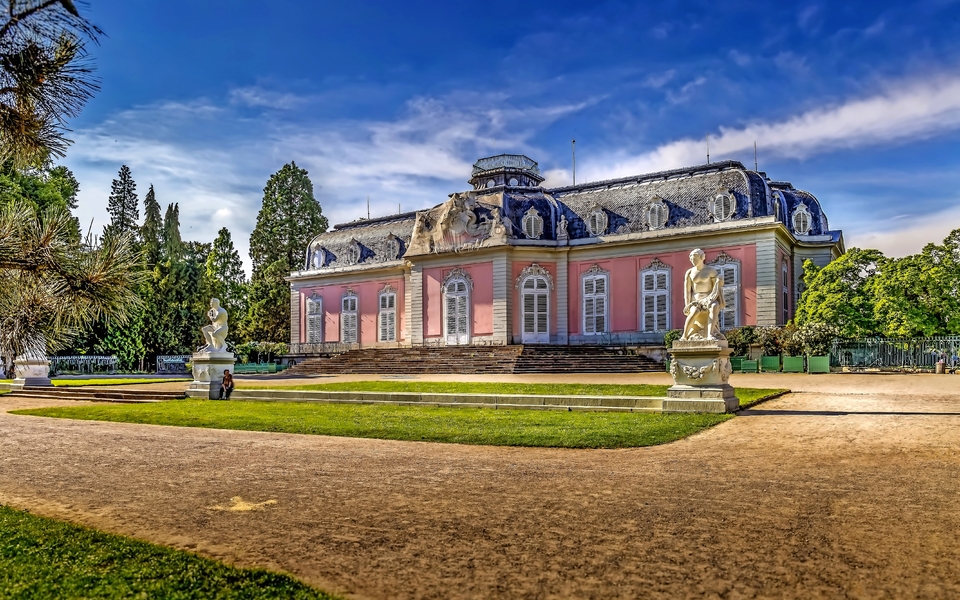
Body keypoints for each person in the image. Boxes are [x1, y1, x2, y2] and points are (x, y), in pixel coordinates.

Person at [680, 248, 726, 341]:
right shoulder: (689, 272)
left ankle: (710, 334)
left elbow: (715, 288)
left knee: (714, 306)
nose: (693, 261)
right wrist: (687, 305)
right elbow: (687, 291)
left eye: (695, 259)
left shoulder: (711, 271)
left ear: (702, 258)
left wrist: (719, 280)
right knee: (694, 312)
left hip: (709, 299)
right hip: (695, 301)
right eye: (692, 259)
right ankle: (684, 335)